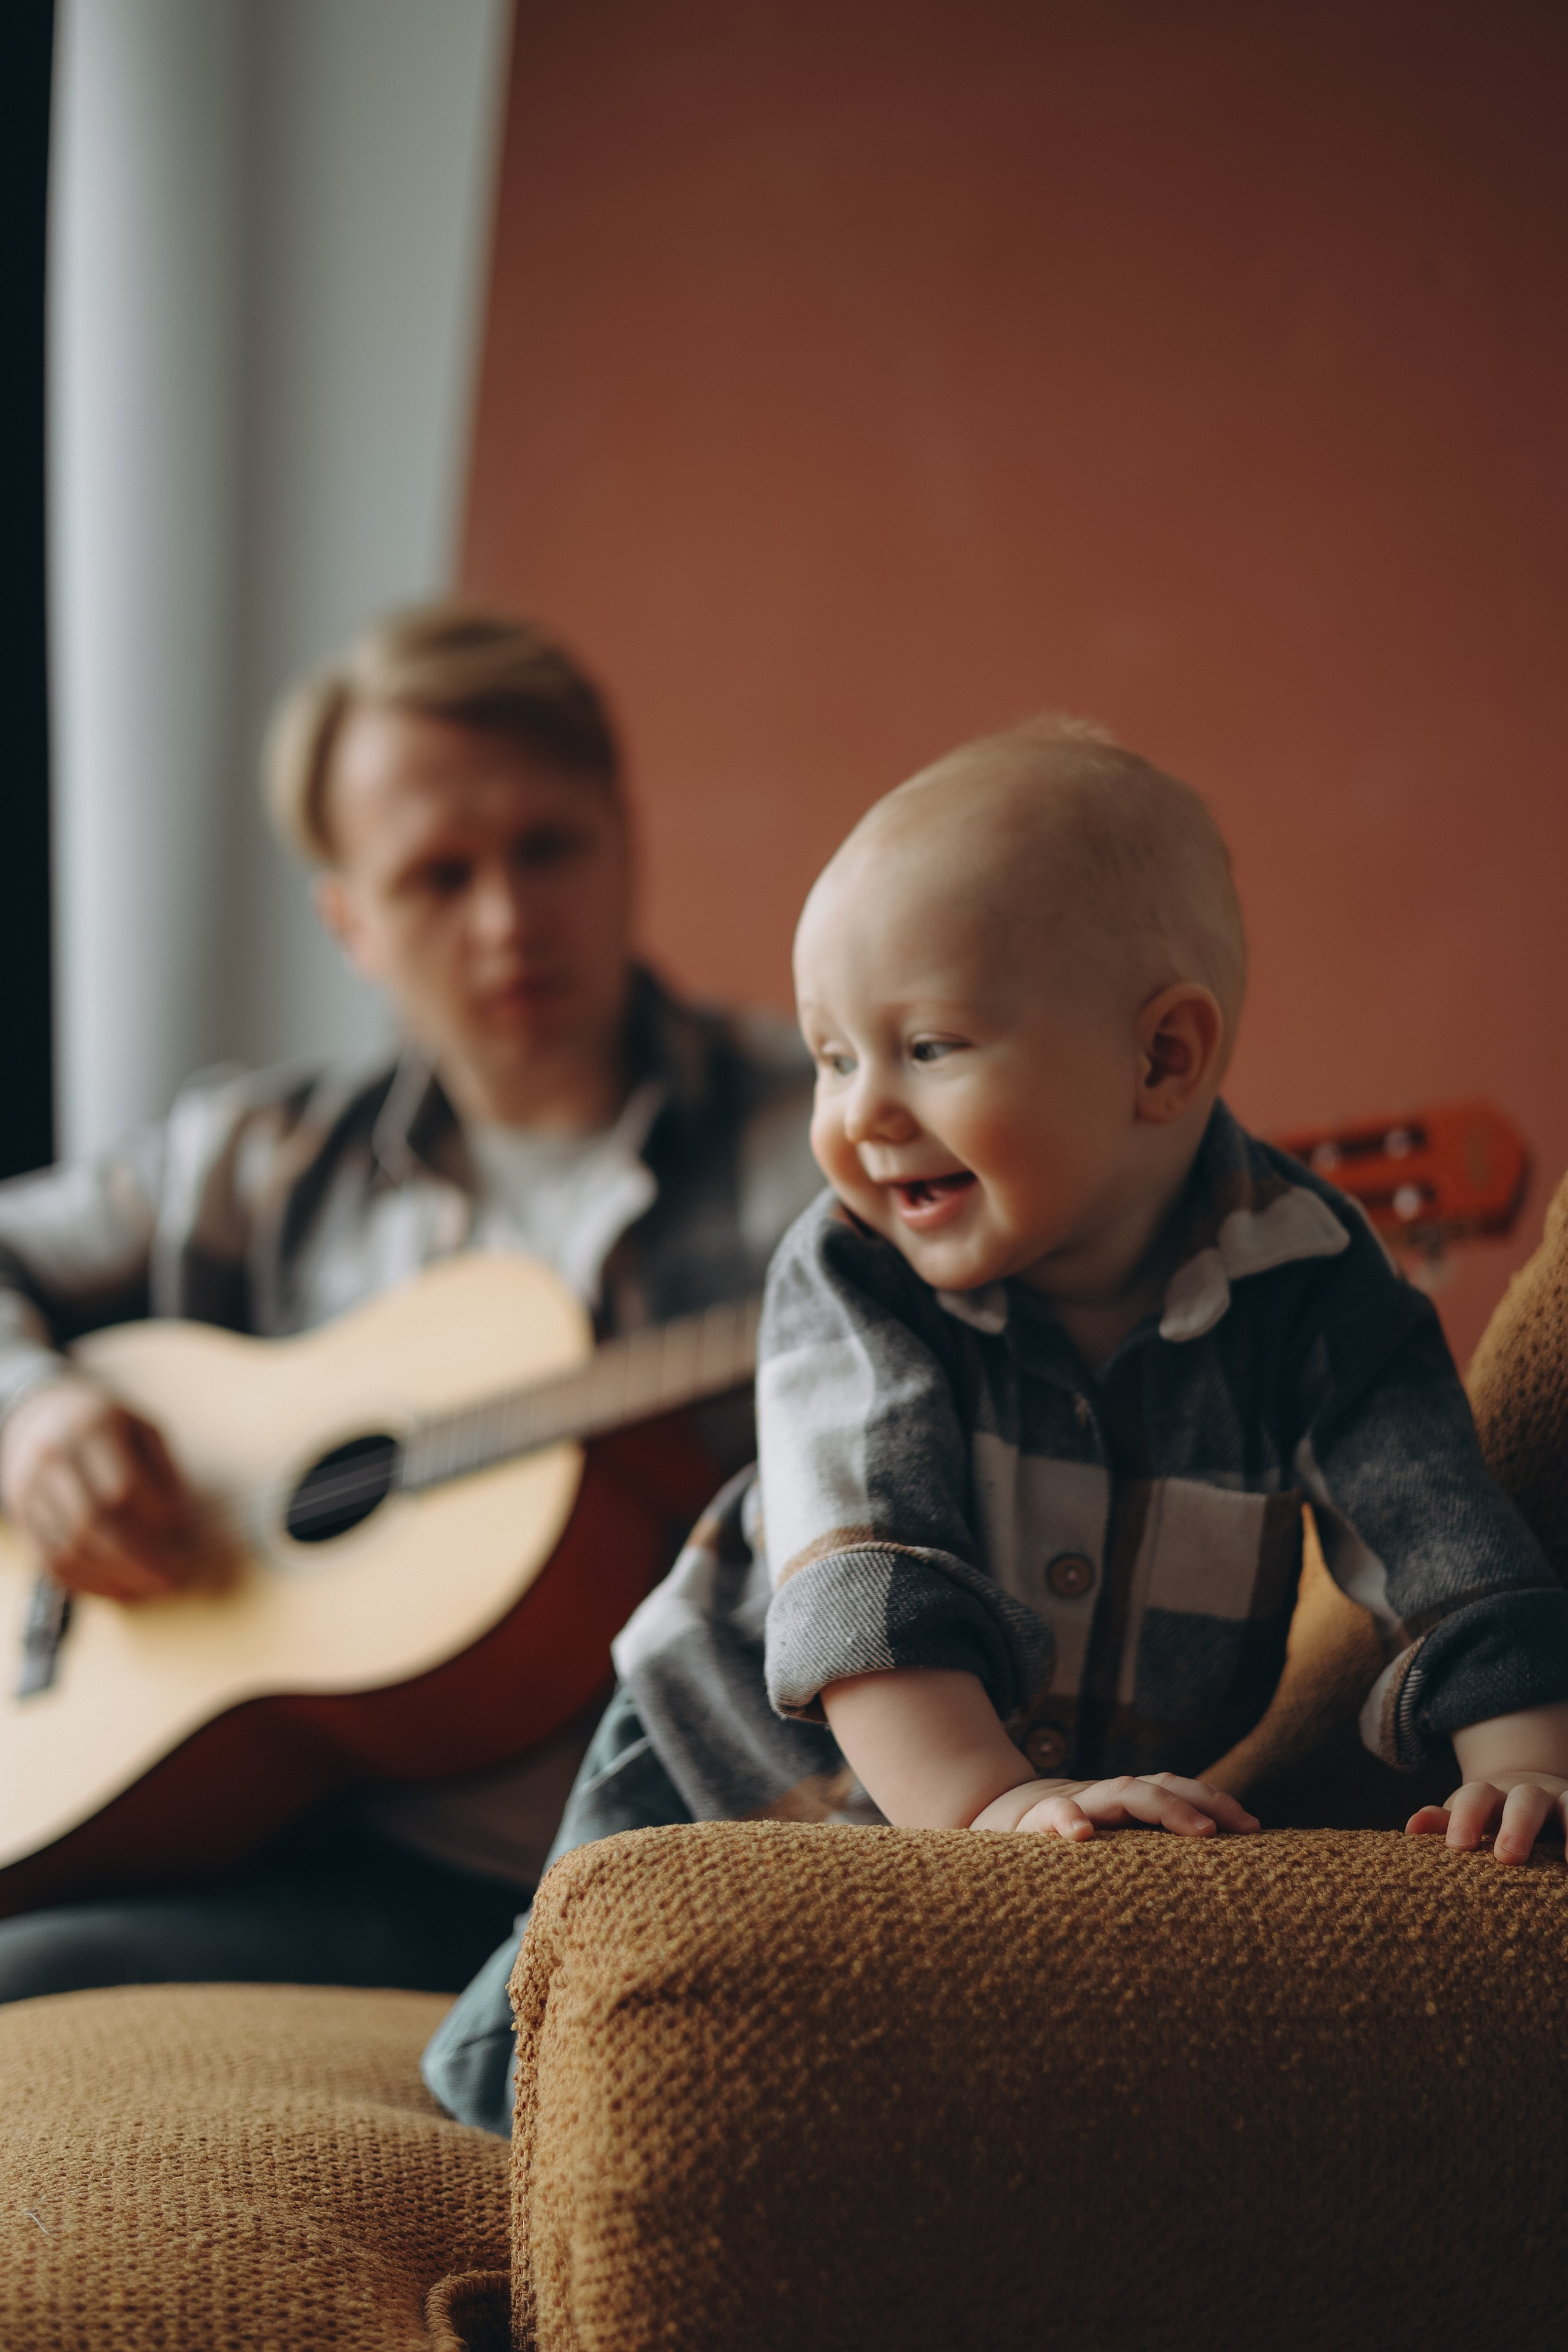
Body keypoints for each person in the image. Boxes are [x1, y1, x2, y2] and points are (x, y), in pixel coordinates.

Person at [429, 713, 1568, 2133]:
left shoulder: (1309, 1286)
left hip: (1034, 1808)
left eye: (923, 1047)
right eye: (831, 1057)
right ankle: (461, 2077)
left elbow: (1441, 1532)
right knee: (539, 2063)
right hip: (730, 1763)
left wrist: (1521, 1755)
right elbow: (867, 1577)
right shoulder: (849, 1274)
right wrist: (985, 1807)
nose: (861, 1116)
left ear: (1160, 1061)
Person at [0, 603, 820, 2003]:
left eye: (547, 847)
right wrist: (35, 1414)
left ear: (625, 839)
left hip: (624, 1875)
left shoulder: (833, 1141)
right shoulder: (254, 1158)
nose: (507, 920)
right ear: (351, 922)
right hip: (270, 1839)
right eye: (438, 876)